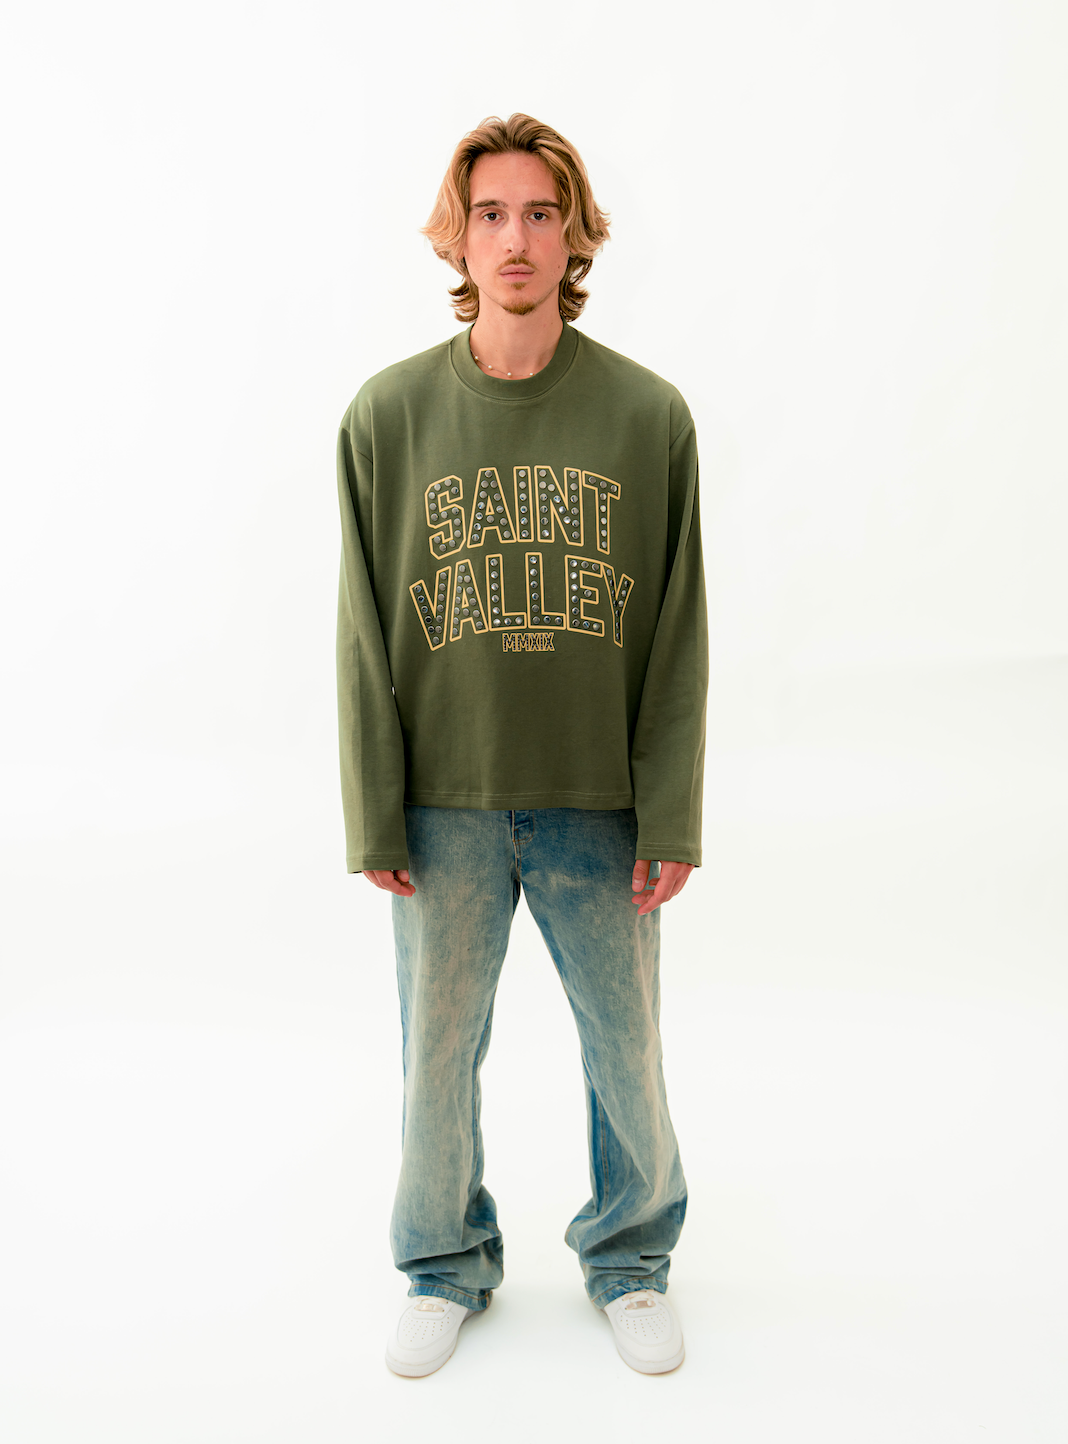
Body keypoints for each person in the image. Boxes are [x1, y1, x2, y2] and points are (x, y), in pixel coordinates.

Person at [335, 113, 707, 1377]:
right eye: (490, 213)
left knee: (627, 1047)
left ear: (575, 234)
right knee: (435, 1056)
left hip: (601, 803)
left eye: (541, 213)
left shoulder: (646, 416)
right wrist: (374, 808)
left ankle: (632, 1256)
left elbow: (678, 634)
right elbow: (362, 633)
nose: (516, 239)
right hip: (443, 802)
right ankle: (443, 1262)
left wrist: (672, 812)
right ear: (457, 235)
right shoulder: (386, 417)